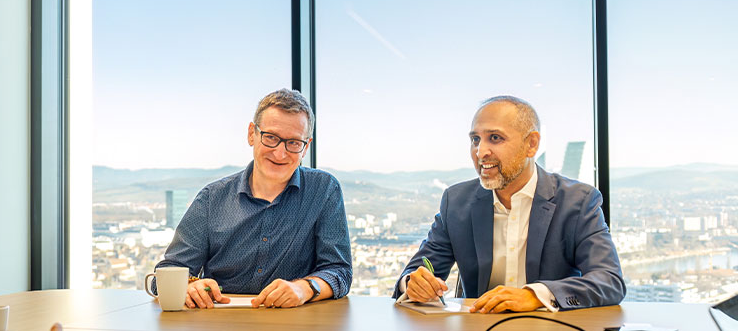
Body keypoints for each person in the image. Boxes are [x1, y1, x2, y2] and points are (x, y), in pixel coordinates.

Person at [393, 96, 625, 313]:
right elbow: (416, 271)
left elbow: (609, 280)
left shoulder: (578, 200)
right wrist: (414, 283)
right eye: (475, 139)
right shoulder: (456, 201)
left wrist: (536, 295)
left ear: (531, 144)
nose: (480, 151)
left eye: (495, 138)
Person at [153, 89, 352, 309]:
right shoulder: (212, 198)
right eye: (271, 138)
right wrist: (190, 286)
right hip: (219, 321)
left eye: (294, 143)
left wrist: (304, 288)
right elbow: (165, 274)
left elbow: (339, 271)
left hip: (294, 322)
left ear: (306, 147)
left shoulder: (323, 190)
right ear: (251, 134)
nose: (280, 153)